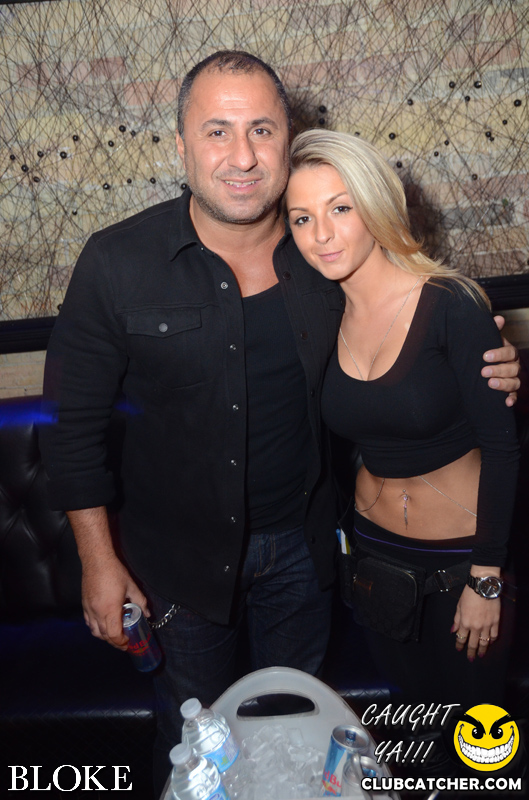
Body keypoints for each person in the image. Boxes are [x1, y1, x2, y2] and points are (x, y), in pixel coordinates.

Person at [39, 51, 518, 790]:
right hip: (180, 569)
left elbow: (406, 324)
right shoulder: (116, 263)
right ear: (181, 146)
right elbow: (73, 428)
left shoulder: (321, 256)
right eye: (217, 131)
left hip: (306, 556)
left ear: (286, 139)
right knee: (198, 749)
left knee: (298, 741)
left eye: (261, 130)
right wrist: (100, 564)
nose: (242, 156)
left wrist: (489, 358)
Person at [286, 128, 520, 709]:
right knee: (418, 722)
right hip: (373, 556)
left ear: (375, 205)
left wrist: (486, 576)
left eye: (341, 208)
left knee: (481, 732)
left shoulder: (451, 303)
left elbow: (503, 448)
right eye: (301, 218)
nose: (321, 234)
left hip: (461, 559)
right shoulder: (320, 314)